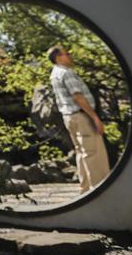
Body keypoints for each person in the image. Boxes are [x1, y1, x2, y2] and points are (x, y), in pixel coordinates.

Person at [47, 45, 110, 193]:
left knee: (81, 153)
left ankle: (86, 189)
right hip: (81, 116)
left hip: (69, 118)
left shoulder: (54, 73)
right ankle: (100, 191)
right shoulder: (66, 73)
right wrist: (95, 118)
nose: (70, 55)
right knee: (93, 153)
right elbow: (78, 97)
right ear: (58, 58)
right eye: (66, 53)